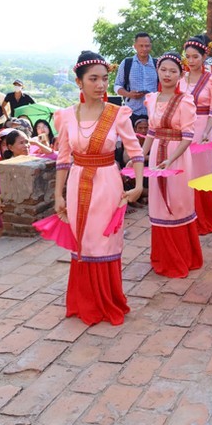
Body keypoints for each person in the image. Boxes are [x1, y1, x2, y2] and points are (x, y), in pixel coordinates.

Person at [53, 51, 144, 326]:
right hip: (78, 181)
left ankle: (108, 300)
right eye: (93, 79)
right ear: (79, 82)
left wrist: (139, 185)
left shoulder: (117, 114)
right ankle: (85, 301)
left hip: (107, 183)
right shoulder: (66, 116)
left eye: (105, 79)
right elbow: (63, 157)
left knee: (104, 240)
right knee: (83, 241)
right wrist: (58, 194)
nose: (101, 85)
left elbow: (135, 151)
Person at [140, 52, 202, 277]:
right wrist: (140, 156)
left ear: (181, 74)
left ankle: (181, 256)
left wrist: (172, 158)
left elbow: (187, 137)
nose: (167, 74)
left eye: (173, 71)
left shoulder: (185, 100)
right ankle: (162, 256)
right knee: (158, 203)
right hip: (158, 152)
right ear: (157, 71)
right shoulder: (151, 98)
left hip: (178, 157)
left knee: (177, 203)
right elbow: (151, 131)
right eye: (163, 70)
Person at [180, 35, 212, 235]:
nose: (191, 60)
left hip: (204, 127)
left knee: (201, 172)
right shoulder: (181, 79)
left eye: (195, 56)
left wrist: (207, 131)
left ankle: (204, 217)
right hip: (183, 129)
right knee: (184, 170)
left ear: (204, 56)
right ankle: (185, 215)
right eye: (188, 56)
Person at [114, 32, 158, 125]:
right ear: (135, 46)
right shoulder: (127, 63)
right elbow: (117, 86)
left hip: (153, 112)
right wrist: (129, 94)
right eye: (141, 46)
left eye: (147, 46)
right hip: (131, 111)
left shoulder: (157, 64)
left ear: (151, 46)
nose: (144, 49)